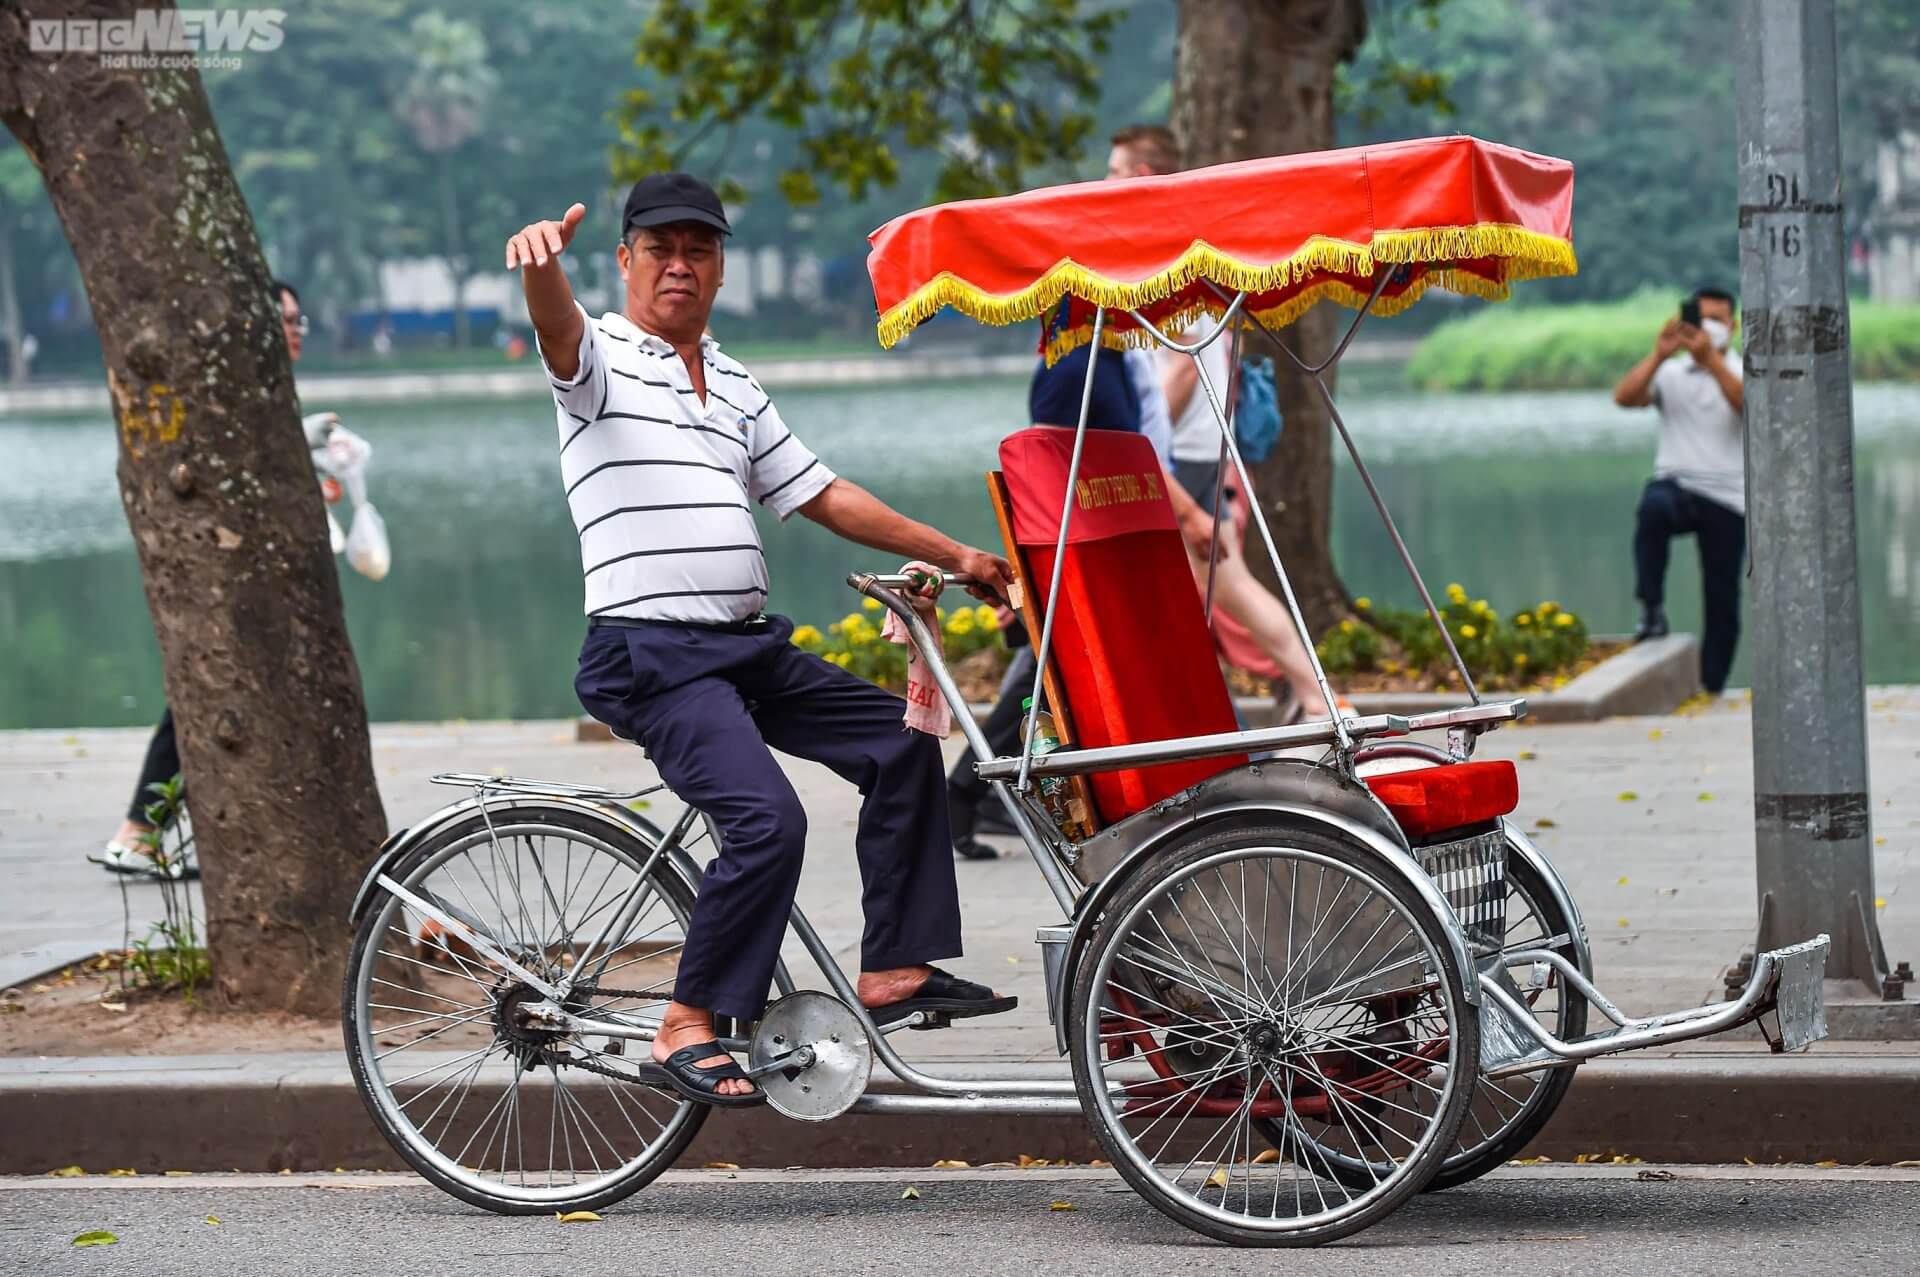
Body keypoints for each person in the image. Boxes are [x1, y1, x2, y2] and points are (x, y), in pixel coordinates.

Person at [506, 173, 1017, 1105]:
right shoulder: (603, 358)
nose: (679, 266)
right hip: (650, 651)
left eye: (698, 250)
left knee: (904, 740)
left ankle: (894, 968)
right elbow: (556, 328)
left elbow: (823, 495)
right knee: (766, 821)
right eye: (659, 249)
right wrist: (543, 268)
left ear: (721, 268)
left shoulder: (735, 381)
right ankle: (686, 1022)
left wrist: (960, 554)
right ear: (625, 262)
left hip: (744, 646)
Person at [91, 280, 352, 880]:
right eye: (283, 319)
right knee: (205, 700)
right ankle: (138, 830)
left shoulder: (262, 394)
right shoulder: (228, 394)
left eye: (297, 319)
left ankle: (259, 833)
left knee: (250, 702)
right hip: (227, 582)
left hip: (266, 581)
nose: (294, 330)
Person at [1107, 124, 1333, 723]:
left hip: (1181, 454)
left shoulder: (1162, 253)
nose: (1104, 182)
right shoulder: (1186, 244)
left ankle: (1312, 699)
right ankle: (1296, 701)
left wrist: (1141, 439)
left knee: (1222, 588)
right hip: (1200, 449)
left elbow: (1182, 368)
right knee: (1209, 592)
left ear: (1141, 177)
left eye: (1112, 171)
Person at [1611, 286, 1746, 693]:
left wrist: (1712, 363)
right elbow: (1625, 397)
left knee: (1722, 597)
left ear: (1733, 326)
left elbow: (1746, 404)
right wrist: (1659, 354)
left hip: (1727, 496)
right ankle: (1651, 609)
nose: (1708, 328)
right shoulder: (1670, 373)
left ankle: (1711, 685)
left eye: (1717, 320)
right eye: (1699, 319)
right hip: (1678, 485)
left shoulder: (1743, 370)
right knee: (1652, 507)